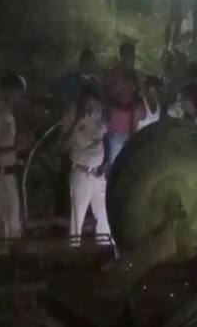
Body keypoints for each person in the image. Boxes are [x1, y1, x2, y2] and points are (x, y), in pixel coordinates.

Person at [0, 74, 29, 240]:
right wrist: (15, 148)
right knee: (8, 222)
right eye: (17, 94)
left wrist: (17, 146)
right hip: (0, 174)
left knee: (5, 220)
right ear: (7, 91)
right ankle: (6, 252)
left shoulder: (7, 113)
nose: (18, 98)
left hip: (6, 173)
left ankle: (2, 252)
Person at [68, 87, 111, 246]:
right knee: (77, 218)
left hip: (98, 174)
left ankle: (106, 249)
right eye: (90, 103)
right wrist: (95, 136)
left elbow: (102, 136)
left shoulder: (100, 121)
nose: (94, 106)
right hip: (82, 172)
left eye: (96, 103)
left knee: (104, 215)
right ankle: (73, 252)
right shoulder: (77, 122)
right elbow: (81, 141)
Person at [104, 42, 140, 165]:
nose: (133, 60)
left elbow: (137, 96)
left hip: (131, 129)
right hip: (115, 128)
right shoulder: (113, 75)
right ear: (123, 57)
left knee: (128, 164)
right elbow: (105, 100)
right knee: (114, 164)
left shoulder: (134, 75)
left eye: (134, 56)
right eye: (131, 57)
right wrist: (124, 108)